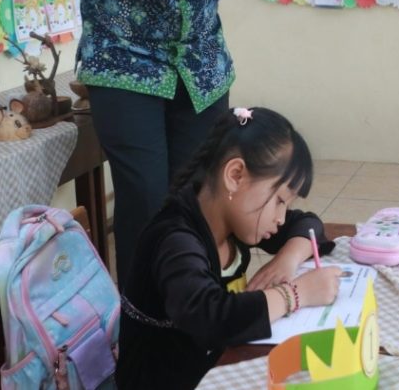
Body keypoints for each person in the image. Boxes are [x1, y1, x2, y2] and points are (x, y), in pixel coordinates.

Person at [64, 0, 302, 283]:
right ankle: (143, 321)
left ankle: (196, 300)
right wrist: (122, 6)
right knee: (148, 196)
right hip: (123, 59)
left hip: (200, 65)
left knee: (203, 190)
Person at [116, 106, 342, 390]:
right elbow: (209, 316)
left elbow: (309, 225)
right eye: (280, 200)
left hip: (214, 367)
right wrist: (296, 294)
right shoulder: (175, 239)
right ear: (235, 176)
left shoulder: (232, 217)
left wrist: (288, 258)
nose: (281, 217)